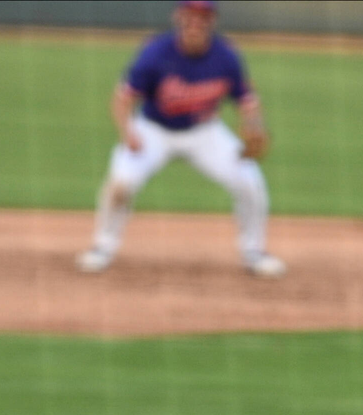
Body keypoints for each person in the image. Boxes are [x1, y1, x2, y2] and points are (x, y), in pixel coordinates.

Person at [77, 0, 286, 278]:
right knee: (121, 184)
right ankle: (103, 246)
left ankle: (254, 252)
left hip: (205, 132)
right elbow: (122, 98)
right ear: (179, 17)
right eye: (190, 16)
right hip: (153, 131)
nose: (196, 23)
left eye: (203, 16)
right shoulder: (156, 53)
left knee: (249, 180)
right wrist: (127, 132)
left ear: (213, 21)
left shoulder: (226, 55)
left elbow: (247, 99)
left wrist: (254, 124)